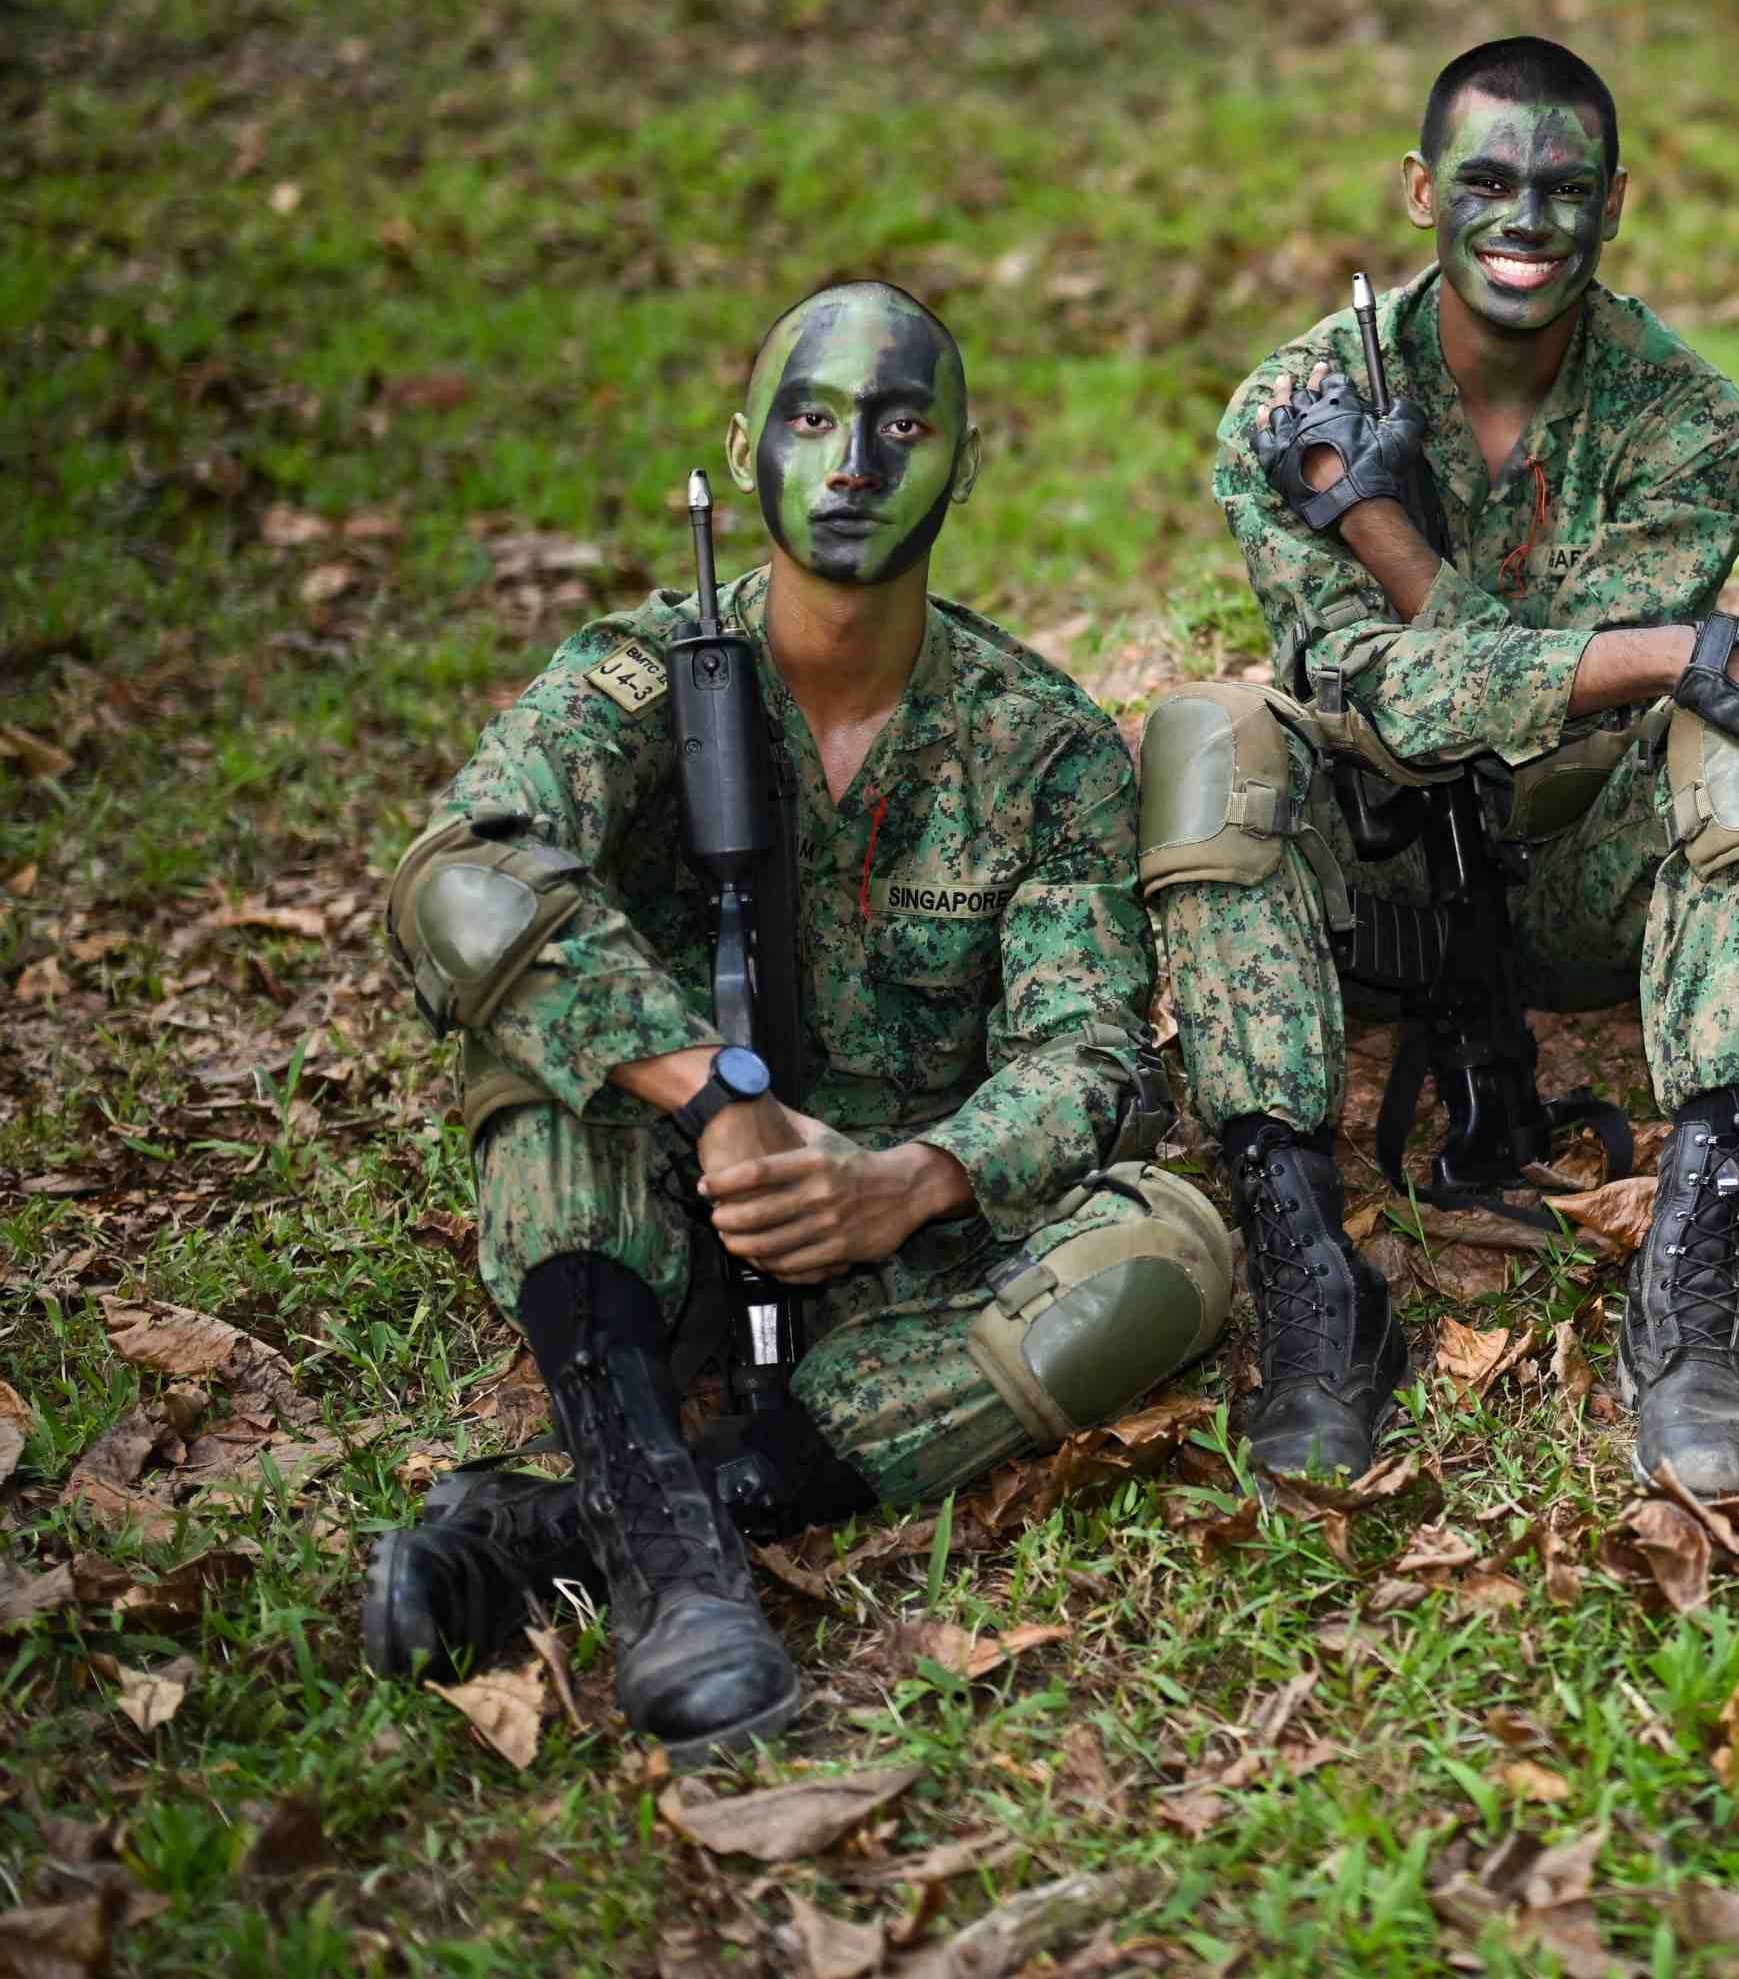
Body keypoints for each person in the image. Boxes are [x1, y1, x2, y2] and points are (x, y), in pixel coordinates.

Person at [363, 282, 1230, 1763]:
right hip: (662, 1216)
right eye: (813, 420)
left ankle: (601, 1519)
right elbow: (455, 879)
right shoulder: (642, 681)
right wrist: (712, 1095)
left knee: (1172, 1259)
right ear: (745, 442)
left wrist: (908, 1179)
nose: (853, 465)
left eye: (902, 425)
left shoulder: (1046, 745)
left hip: (903, 1249)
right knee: (531, 1018)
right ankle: (684, 1574)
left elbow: (1090, 1056)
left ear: (965, 457)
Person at [1143, 36, 1739, 1493]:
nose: (1525, 219)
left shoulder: (1688, 422)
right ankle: (1307, 1280)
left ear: (1616, 203)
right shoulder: (1293, 410)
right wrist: (1672, 651)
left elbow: (1535, 674)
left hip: (1585, 877)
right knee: (1210, 740)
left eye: (1564, 186)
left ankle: (1699, 1268)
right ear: (1420, 189)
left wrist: (1390, 537)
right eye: (1484, 180)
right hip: (1365, 884)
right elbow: (1391, 696)